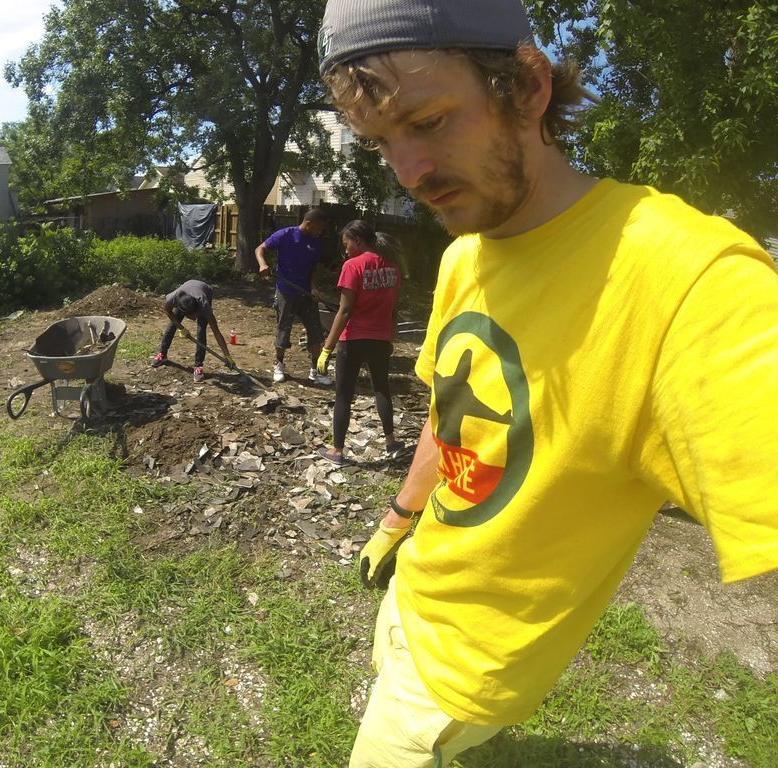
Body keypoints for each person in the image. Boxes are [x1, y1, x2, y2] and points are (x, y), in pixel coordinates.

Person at [317, 0, 778, 765]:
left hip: (463, 674)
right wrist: (398, 522)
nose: (409, 172)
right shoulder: (468, 253)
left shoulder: (693, 283)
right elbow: (451, 416)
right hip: (413, 599)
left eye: (428, 122)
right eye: (381, 143)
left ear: (527, 87)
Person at [316, 220, 404, 466]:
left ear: (358, 240)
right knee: (381, 389)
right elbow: (394, 309)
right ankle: (391, 441)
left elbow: (344, 311)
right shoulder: (392, 268)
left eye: (346, 244)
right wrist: (390, 337)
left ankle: (337, 451)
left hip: (353, 339)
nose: (345, 250)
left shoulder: (352, 266)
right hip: (380, 338)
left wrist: (326, 348)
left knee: (344, 395)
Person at [254, 208, 334, 385]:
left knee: (315, 331)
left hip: (306, 294)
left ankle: (316, 370)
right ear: (309, 223)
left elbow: (315, 268)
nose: (320, 232)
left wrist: (314, 287)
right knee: (284, 329)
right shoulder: (285, 234)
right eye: (318, 229)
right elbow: (260, 249)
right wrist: (263, 264)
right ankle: (279, 365)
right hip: (286, 291)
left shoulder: (315, 242)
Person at [150, 279, 234, 383]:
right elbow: (167, 311)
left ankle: (198, 366)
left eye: (197, 314)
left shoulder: (204, 305)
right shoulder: (172, 299)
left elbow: (216, 332)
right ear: (184, 313)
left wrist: (227, 355)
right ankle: (162, 353)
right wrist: (181, 327)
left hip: (204, 290)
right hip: (186, 291)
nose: (195, 318)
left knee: (201, 331)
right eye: (193, 316)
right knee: (172, 325)